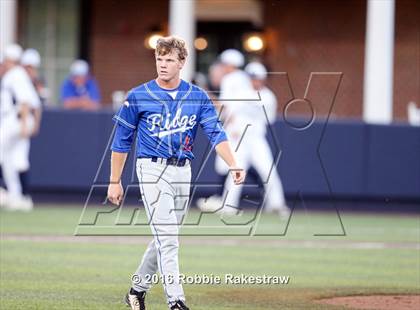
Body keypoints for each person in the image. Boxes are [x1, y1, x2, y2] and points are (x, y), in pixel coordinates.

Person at [106, 36, 245, 310]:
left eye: (169, 59)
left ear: (182, 62)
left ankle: (136, 290)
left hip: (183, 171)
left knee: (164, 238)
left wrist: (234, 163)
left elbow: (216, 133)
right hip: (151, 169)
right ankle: (176, 301)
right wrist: (114, 180)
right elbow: (121, 141)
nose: (163, 64)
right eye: (159, 59)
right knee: (168, 238)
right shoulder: (138, 95)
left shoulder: (196, 96)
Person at [197, 61, 290, 217]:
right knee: (236, 172)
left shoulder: (268, 97)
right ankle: (228, 205)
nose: (255, 81)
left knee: (269, 171)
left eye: (258, 78)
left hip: (256, 140)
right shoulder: (240, 93)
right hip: (239, 139)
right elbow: (228, 112)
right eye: (252, 77)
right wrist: (231, 128)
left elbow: (269, 120)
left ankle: (277, 204)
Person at [0, 44, 41, 211]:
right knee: (14, 160)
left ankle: (7, 193)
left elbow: (24, 101)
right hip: (22, 119)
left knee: (6, 155)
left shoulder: (15, 74)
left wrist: (25, 124)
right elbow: (36, 105)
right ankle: (18, 197)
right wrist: (33, 124)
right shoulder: (21, 75)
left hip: (16, 119)